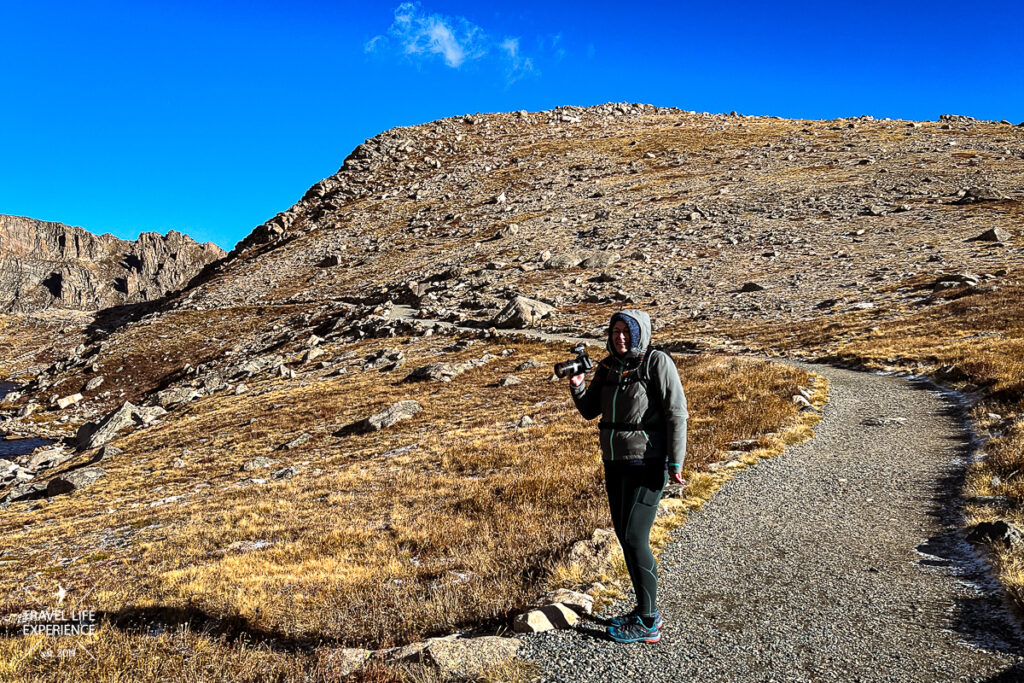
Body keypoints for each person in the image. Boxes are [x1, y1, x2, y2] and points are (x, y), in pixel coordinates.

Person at [569, 309, 688, 644]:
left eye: (627, 331)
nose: (620, 337)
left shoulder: (656, 362)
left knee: (635, 538)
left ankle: (648, 621)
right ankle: (642, 610)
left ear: (639, 334)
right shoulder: (608, 366)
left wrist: (675, 462)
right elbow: (590, 410)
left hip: (647, 461)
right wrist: (578, 386)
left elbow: (677, 412)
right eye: (615, 330)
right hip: (615, 461)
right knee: (624, 536)